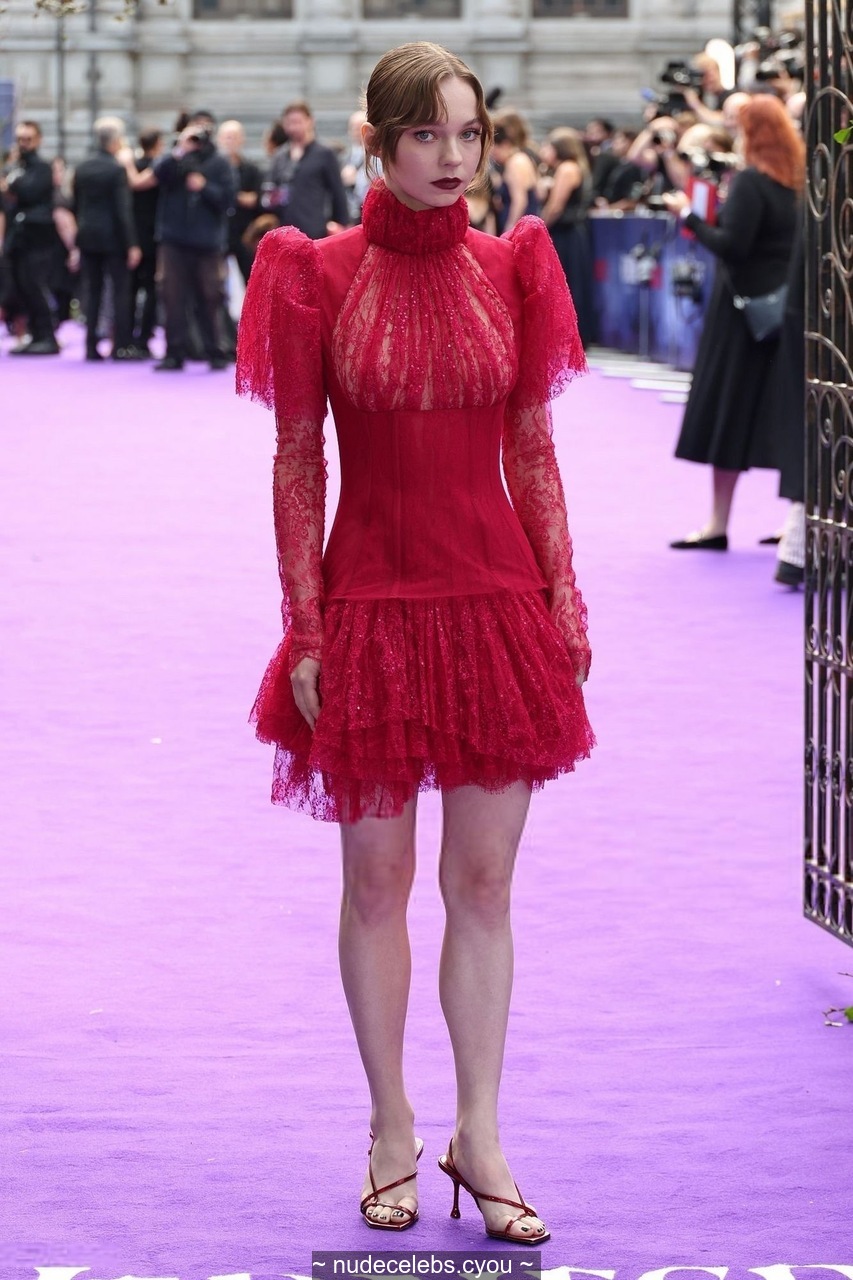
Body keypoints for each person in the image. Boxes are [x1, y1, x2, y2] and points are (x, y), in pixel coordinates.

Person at [236, 41, 593, 1246]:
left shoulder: (513, 265)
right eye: (428, 134)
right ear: (378, 141)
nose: (454, 157)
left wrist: (563, 595)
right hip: (371, 606)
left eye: (469, 133)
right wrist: (304, 620)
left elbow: (531, 445)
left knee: (483, 883)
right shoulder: (315, 273)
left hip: (495, 602)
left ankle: (477, 1132)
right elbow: (298, 459)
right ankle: (391, 1124)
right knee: (376, 881)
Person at [664, 93, 805, 549]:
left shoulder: (751, 182)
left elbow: (732, 247)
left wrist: (689, 216)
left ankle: (717, 523)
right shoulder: (798, 186)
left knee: (728, 416)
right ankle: (794, 522)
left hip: (741, 315)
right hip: (785, 311)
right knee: (785, 415)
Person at [152, 112, 235, 371]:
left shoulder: (220, 163)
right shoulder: (175, 159)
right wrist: (179, 149)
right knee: (172, 297)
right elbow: (158, 175)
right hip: (174, 240)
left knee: (211, 298)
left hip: (207, 244)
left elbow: (228, 200)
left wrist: (204, 187)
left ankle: (215, 351)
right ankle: (174, 352)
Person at [72, 116, 142, 361]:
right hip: (113, 238)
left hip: (87, 235)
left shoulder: (82, 167)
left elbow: (76, 204)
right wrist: (132, 243)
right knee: (120, 291)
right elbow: (123, 210)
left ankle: (90, 345)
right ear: (115, 141)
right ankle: (120, 345)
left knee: (92, 291)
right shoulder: (116, 169)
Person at [0, 121, 60, 354]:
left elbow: (29, 192)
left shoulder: (43, 167)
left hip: (38, 238)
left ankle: (47, 335)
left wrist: (10, 185)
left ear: (38, 140)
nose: (23, 144)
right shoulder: (15, 167)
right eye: (20, 139)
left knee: (35, 285)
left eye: (28, 139)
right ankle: (35, 334)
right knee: (21, 287)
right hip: (18, 238)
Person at [539, 127, 596, 346]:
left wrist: (539, 227)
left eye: (548, 146)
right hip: (571, 232)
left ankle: (570, 337)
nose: (544, 150)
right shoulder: (571, 167)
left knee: (568, 283)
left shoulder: (567, 168)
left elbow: (555, 207)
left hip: (566, 234)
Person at [264, 100, 349, 238]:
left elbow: (338, 192)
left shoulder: (325, 154)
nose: (294, 127)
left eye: (298, 122)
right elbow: (270, 192)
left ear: (310, 121)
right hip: (284, 231)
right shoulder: (279, 156)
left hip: (315, 230)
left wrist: (340, 224)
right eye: (290, 122)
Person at [490, 109, 540, 234]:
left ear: (505, 144)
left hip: (519, 227)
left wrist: (509, 229)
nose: (493, 154)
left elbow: (520, 201)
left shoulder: (516, 162)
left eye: (495, 149)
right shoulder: (519, 159)